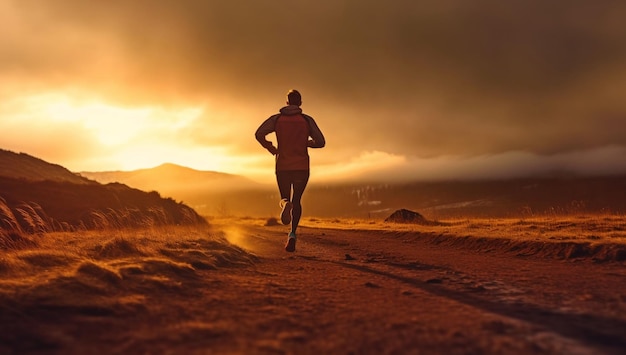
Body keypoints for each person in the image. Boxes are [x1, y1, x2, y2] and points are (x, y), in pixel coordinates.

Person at [255, 89, 325, 252]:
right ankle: (292, 234)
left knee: (285, 197)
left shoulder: (277, 119)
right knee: (298, 200)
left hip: (283, 166)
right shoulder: (307, 120)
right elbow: (321, 142)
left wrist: (270, 147)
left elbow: (258, 133)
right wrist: (307, 143)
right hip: (302, 166)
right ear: (300, 103)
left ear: (287, 103)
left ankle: (286, 204)